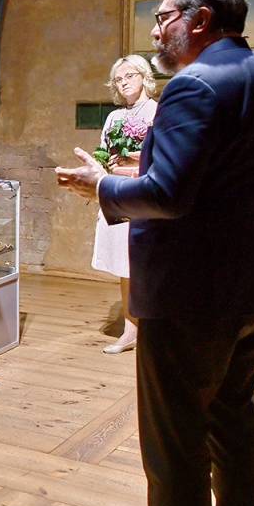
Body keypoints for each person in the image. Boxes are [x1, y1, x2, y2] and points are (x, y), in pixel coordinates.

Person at [56, 0, 254, 506]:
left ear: (200, 19)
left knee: (175, 441)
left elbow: (168, 194)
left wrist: (102, 186)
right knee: (234, 421)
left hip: (193, 293)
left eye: (164, 16)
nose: (157, 29)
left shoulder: (193, 84)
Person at [92, 55, 158, 354]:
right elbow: (104, 152)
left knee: (149, 262)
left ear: (144, 76)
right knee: (125, 263)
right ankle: (131, 330)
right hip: (120, 193)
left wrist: (139, 162)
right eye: (118, 79)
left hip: (147, 194)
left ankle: (156, 328)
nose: (124, 83)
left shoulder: (158, 111)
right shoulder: (114, 117)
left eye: (130, 76)